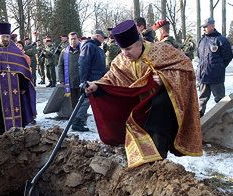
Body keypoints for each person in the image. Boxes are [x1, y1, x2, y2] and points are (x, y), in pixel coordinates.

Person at [85, 19, 202, 168]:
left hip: (163, 108)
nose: (125, 54)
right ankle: (144, 168)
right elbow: (112, 77)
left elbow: (185, 66)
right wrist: (97, 85)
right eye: (122, 50)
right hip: (139, 106)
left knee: (159, 127)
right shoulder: (121, 60)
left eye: (128, 49)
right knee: (137, 127)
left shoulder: (162, 50)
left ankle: (157, 167)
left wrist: (165, 78)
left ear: (140, 43)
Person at [0, 22, 37, 135]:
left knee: (19, 114)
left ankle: (19, 136)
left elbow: (23, 71)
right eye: (3, 37)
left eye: (8, 36)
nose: (6, 39)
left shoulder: (15, 51)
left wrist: (23, 86)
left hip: (16, 91)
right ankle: (2, 139)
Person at [72, 29, 107, 132]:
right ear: (97, 36)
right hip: (90, 79)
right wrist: (83, 81)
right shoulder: (89, 46)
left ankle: (82, 120)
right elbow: (83, 63)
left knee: (94, 101)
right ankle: (77, 122)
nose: (103, 40)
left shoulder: (97, 48)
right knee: (85, 101)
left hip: (98, 79)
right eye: (102, 37)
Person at [197, 17, 233, 117]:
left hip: (216, 78)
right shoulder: (202, 40)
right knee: (201, 100)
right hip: (203, 77)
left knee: (220, 100)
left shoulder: (221, 40)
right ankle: (198, 121)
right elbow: (200, 58)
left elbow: (228, 56)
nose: (203, 29)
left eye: (205, 26)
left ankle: (224, 121)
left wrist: (219, 68)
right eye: (203, 27)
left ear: (212, 26)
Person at [58, 32, 81, 109]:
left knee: (82, 101)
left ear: (78, 39)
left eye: (75, 38)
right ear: (68, 40)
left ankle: (82, 117)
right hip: (70, 81)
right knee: (72, 101)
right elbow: (60, 66)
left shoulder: (83, 49)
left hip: (81, 80)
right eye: (71, 39)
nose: (73, 40)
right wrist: (61, 80)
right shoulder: (64, 51)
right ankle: (74, 117)